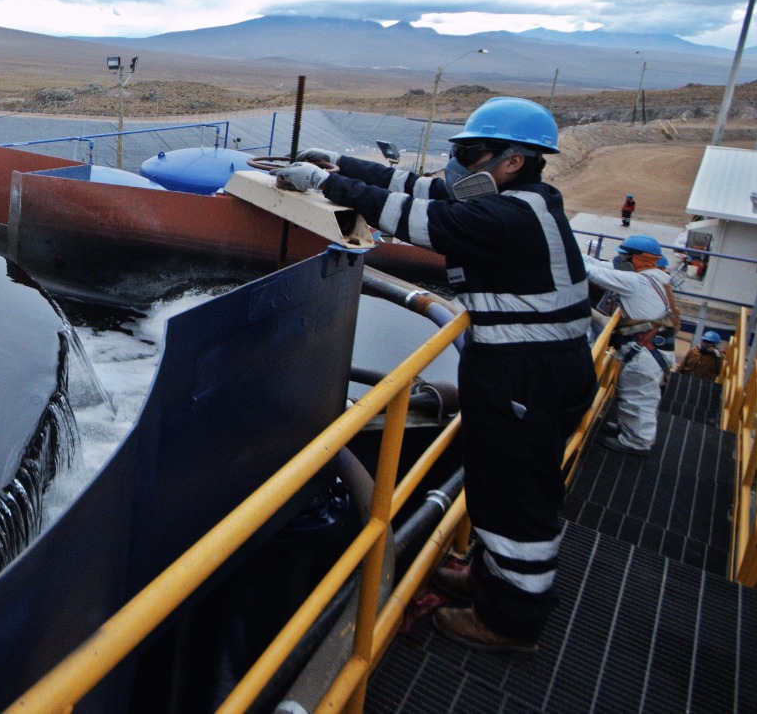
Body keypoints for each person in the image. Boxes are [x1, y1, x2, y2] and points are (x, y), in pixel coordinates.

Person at [274, 97, 594, 654]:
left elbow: (418, 219)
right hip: (522, 371)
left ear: (513, 160)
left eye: (470, 153)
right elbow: (419, 188)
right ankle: (486, 579)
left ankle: (511, 620)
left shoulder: (508, 216)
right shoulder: (520, 197)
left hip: (528, 378)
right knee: (494, 482)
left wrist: (326, 187)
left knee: (518, 499)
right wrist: (342, 167)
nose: (458, 164)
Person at [584, 234, 678, 455]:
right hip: (651, 348)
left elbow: (593, 272)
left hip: (646, 352)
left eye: (624, 256)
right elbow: (601, 265)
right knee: (632, 393)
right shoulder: (657, 277)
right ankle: (628, 429)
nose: (619, 260)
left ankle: (637, 442)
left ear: (641, 259)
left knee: (639, 398)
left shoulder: (637, 281)